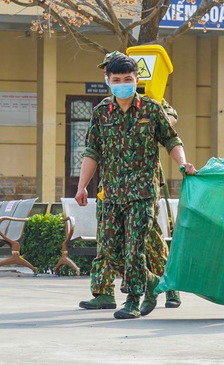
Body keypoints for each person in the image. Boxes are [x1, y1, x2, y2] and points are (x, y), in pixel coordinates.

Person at [75, 54, 197, 319]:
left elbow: (172, 139)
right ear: (108, 80)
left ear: (136, 80)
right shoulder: (101, 112)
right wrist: (82, 186)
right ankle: (153, 282)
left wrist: (183, 164)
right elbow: (92, 151)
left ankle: (132, 299)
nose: (122, 84)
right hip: (111, 192)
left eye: (127, 79)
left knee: (136, 246)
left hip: (142, 191)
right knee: (110, 249)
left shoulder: (152, 109)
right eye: (116, 80)